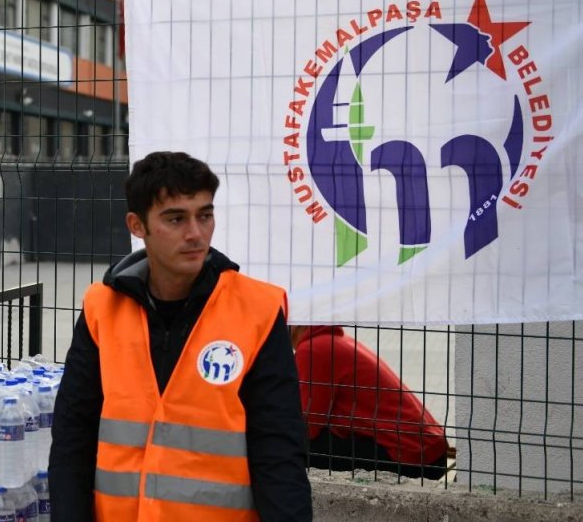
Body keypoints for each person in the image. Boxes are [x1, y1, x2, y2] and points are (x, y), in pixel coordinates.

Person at [50, 151, 312, 521]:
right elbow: (73, 438)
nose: (195, 234)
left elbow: (278, 453)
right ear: (137, 225)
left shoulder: (257, 310)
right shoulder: (101, 308)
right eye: (176, 219)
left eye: (204, 215)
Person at [291, 325, 452, 479]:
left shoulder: (313, 349)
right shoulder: (332, 340)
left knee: (291, 447)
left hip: (414, 458)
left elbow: (306, 428)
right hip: (428, 450)